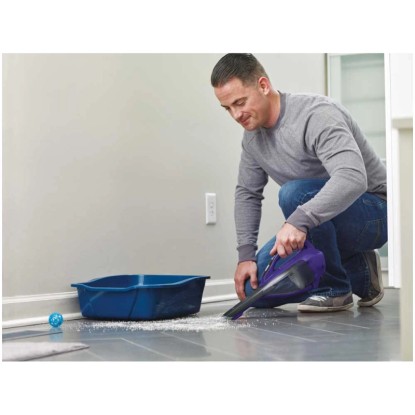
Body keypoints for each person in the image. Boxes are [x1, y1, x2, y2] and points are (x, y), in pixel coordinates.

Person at [211, 53, 388, 312]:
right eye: (228, 108)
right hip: (322, 220)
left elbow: (352, 177)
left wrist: (298, 221)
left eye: (240, 102)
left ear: (263, 85)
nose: (236, 114)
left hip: (376, 212)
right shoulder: (252, 139)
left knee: (294, 194)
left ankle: (334, 290)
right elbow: (247, 194)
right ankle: (360, 269)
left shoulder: (317, 114)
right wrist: (245, 256)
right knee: (252, 289)